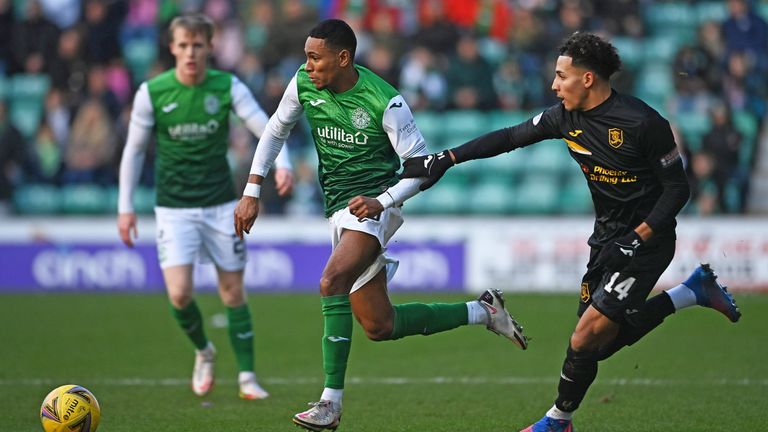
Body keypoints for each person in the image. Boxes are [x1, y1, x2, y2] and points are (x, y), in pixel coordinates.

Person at [400, 32, 742, 432]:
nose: (553, 85)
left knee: (583, 340)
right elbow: (510, 137)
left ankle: (558, 421)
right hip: (607, 240)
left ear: (588, 79)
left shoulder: (644, 122)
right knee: (597, 345)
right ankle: (691, 292)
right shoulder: (565, 117)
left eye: (561, 76)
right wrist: (449, 157)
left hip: (648, 241)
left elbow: (678, 189)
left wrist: (639, 236)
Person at [233, 19, 527, 431]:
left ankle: (329, 404)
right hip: (338, 206)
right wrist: (252, 189)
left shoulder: (385, 101)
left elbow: (422, 169)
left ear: (343, 58)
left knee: (331, 281)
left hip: (376, 204)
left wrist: (383, 201)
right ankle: (483, 312)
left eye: (315, 58)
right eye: (306, 58)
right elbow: (276, 129)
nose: (308, 66)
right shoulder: (303, 83)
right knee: (379, 325)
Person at [117, 13, 294, 400]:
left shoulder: (227, 86)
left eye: (198, 45)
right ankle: (204, 351)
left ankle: (247, 377)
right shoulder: (153, 91)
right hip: (173, 208)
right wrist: (125, 206)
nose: (191, 53)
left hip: (220, 206)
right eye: (183, 45)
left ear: (210, 47)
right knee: (179, 295)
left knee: (232, 292)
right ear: (172, 48)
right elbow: (133, 150)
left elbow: (263, 125)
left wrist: (282, 163)